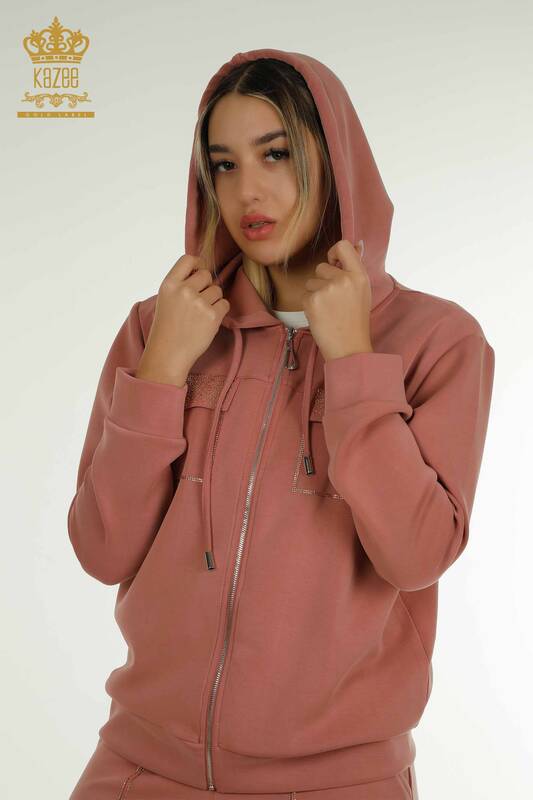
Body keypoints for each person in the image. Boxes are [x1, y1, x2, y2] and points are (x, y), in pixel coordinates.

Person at [67, 48, 495, 799]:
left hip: (339, 782)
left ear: (337, 162)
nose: (247, 191)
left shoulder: (435, 340)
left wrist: (353, 362)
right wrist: (162, 369)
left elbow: (417, 554)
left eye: (276, 154)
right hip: (141, 767)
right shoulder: (160, 328)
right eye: (223, 164)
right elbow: (103, 550)